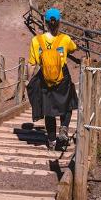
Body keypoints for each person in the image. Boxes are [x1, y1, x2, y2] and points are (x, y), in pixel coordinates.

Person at [27, 8, 79, 150]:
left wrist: (28, 80)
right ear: (59, 22)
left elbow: (31, 64)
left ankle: (51, 141)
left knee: (49, 110)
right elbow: (74, 49)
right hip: (63, 78)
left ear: (45, 22)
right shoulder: (65, 39)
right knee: (67, 104)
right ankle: (63, 128)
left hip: (45, 79)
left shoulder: (36, 41)